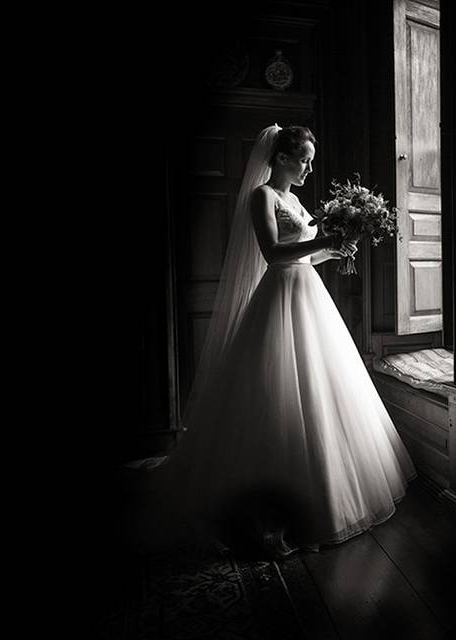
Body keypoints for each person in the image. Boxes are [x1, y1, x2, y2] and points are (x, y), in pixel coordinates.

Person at [155, 124, 416, 558]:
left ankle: (321, 499)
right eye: (305, 160)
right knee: (276, 392)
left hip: (307, 292)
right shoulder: (264, 197)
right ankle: (267, 515)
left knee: (319, 388)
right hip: (278, 295)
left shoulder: (294, 200)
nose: (310, 168)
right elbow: (273, 253)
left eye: (311, 161)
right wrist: (327, 238)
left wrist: (332, 250)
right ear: (280, 158)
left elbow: (307, 252)